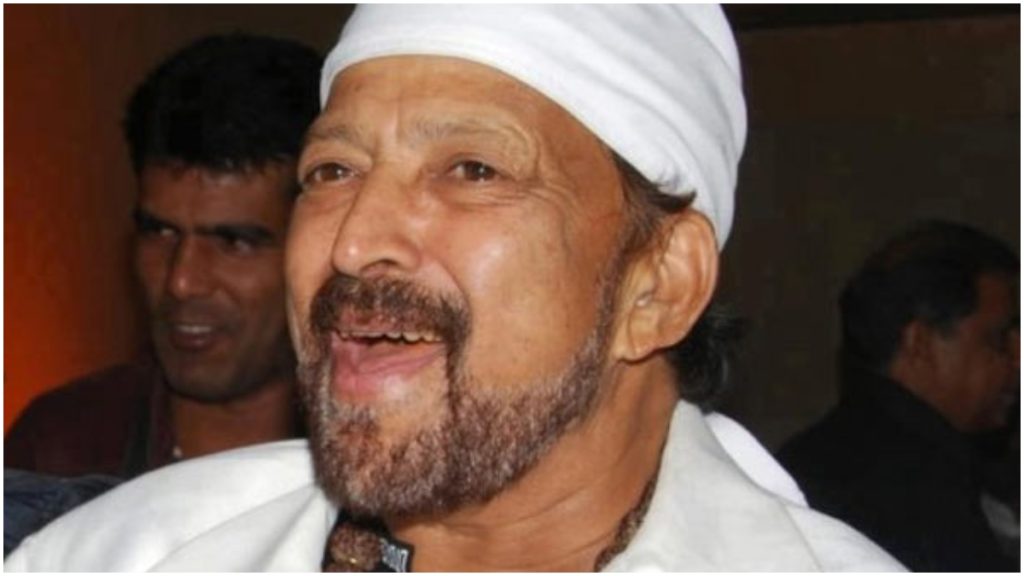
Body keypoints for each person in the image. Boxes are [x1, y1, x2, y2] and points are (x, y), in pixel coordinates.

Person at [7, 6, 903, 571]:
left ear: (658, 284)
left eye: (472, 169)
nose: (354, 241)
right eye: (331, 171)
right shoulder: (121, 555)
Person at [5, 34, 322, 478]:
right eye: (160, 232)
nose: (182, 281)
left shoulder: (380, 471)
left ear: (319, 248)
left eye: (234, 242)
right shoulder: (61, 449)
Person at [778, 220, 1020, 571]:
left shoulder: (811, 460)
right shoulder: (918, 491)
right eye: (997, 340)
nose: (1017, 361)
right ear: (920, 342)